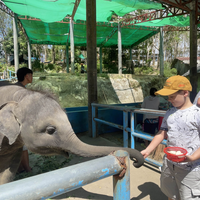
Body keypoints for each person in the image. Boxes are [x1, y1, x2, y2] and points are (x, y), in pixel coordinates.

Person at [141, 75, 200, 200]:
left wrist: (192, 157)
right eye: (168, 97)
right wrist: (148, 150)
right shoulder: (170, 112)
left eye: (172, 96)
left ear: (185, 93)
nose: (169, 99)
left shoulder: (197, 114)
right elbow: (162, 133)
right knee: (171, 194)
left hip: (191, 168)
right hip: (169, 164)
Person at [15, 67, 33, 173]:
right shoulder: (21, 90)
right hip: (17, 122)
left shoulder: (16, 87)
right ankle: (27, 168)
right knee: (23, 145)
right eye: (31, 75)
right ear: (27, 76)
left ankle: (19, 167)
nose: (32, 77)